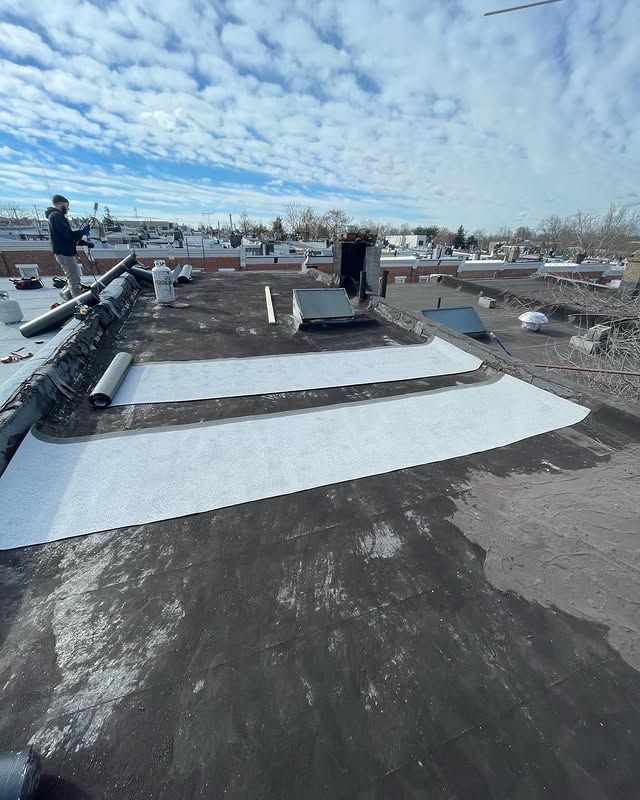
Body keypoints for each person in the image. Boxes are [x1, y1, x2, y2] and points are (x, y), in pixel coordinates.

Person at [45, 194, 93, 297]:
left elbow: (66, 237)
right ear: (60, 203)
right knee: (74, 279)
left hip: (65, 252)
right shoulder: (56, 216)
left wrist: (84, 243)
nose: (68, 208)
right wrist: (82, 232)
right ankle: (78, 303)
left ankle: (74, 297)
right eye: (67, 205)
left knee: (73, 277)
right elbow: (67, 235)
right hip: (65, 254)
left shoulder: (55, 216)